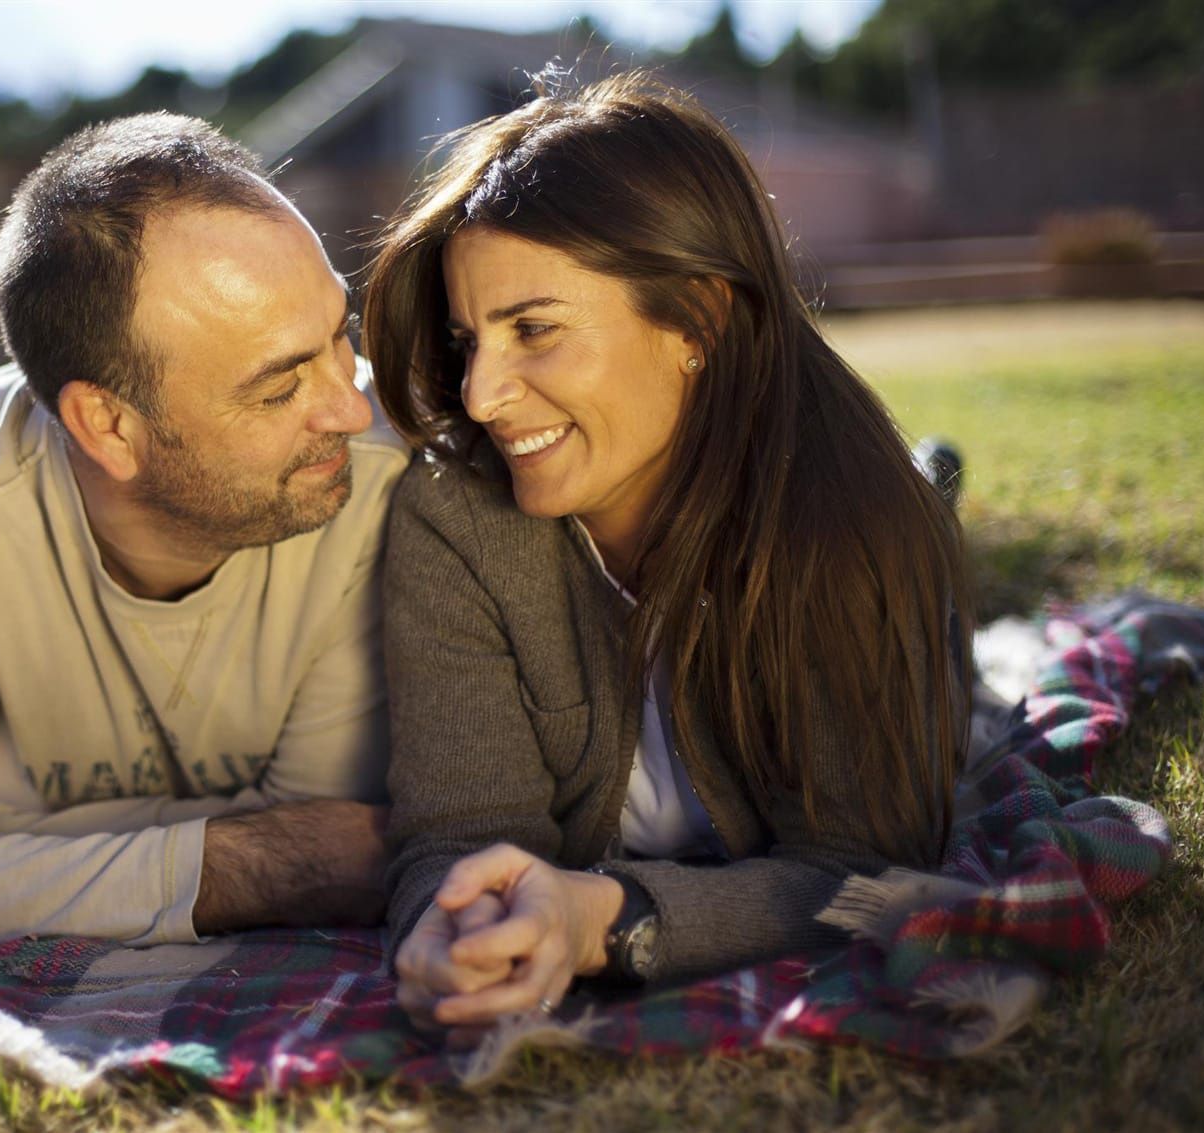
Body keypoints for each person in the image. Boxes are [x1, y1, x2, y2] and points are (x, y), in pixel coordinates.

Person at [362, 74, 973, 1041]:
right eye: (468, 339)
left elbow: (866, 869)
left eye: (535, 329)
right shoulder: (454, 516)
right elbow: (458, 836)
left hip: (874, 507)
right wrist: (462, 921)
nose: (479, 395)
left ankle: (932, 474)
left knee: (923, 485)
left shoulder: (846, 529)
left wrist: (608, 923)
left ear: (697, 320)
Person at [0, 113, 407, 946]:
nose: (350, 404)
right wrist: (263, 859)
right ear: (107, 424)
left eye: (338, 335)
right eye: (279, 386)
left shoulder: (383, 473)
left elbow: (350, 826)